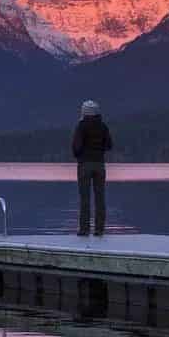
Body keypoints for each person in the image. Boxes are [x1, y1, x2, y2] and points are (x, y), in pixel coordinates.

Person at [71, 99, 112, 236]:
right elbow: (109, 145)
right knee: (100, 198)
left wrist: (79, 155)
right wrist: (99, 150)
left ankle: (84, 229)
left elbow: (76, 146)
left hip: (85, 164)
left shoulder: (81, 126)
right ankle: (99, 229)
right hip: (99, 164)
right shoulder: (103, 126)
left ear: (84, 111)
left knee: (85, 198)